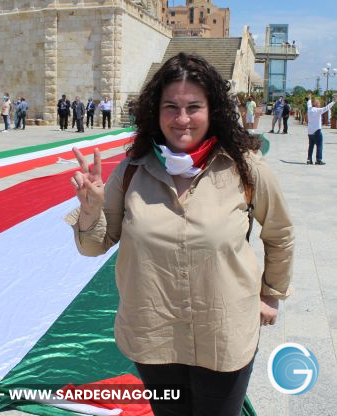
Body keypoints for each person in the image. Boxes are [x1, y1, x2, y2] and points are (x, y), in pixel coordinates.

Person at [66, 53, 294, 416]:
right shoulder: (131, 172)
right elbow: (93, 246)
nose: (182, 119)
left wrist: (271, 293)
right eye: (171, 106)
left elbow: (280, 233)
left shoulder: (246, 168)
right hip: (155, 333)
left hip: (224, 332)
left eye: (193, 106)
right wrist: (91, 212)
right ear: (155, 112)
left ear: (212, 110)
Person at [306, 93, 336, 165]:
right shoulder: (318, 110)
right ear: (316, 104)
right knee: (319, 145)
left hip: (310, 132)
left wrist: (309, 98)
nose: (320, 104)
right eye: (319, 103)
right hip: (317, 131)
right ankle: (318, 160)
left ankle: (309, 159)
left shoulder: (309, 109)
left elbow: (308, 103)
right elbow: (327, 108)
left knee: (311, 146)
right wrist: (334, 101)